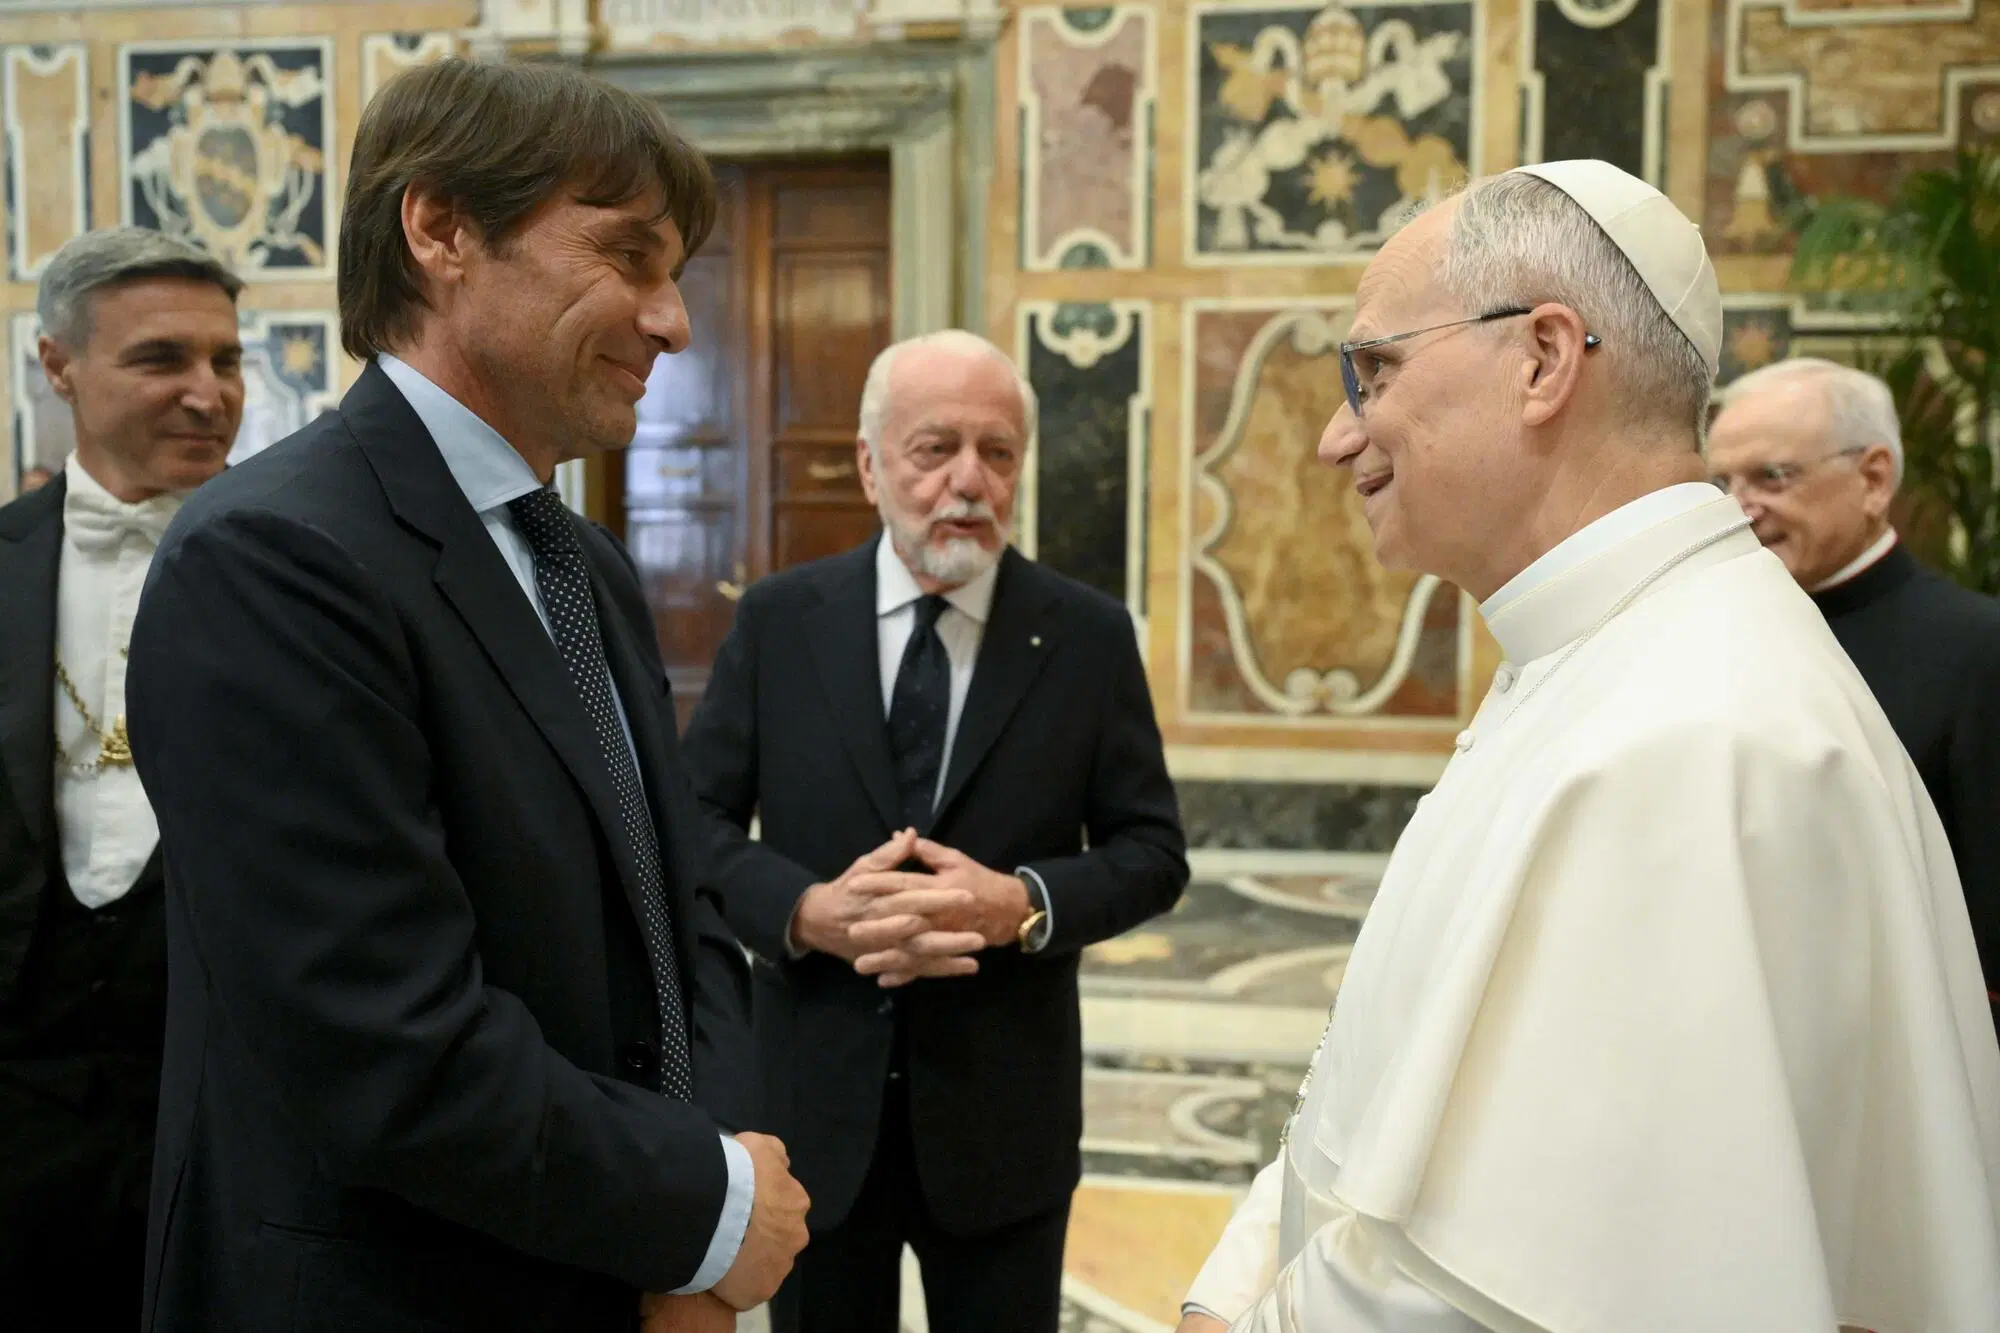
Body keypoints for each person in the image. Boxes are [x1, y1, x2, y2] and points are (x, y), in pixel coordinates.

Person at [1178, 161, 2000, 1331]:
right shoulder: (1600, 656)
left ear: (1543, 359)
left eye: (1372, 370)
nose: (1330, 435)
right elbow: (1374, 1094)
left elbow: (1521, 1287)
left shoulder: (1695, 732)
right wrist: (1233, 1278)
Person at [123, 60, 806, 1333]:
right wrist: (702, 1205)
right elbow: (378, 1040)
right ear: (439, 230)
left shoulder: (578, 559)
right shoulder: (272, 557)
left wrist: (694, 1226)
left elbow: (674, 912)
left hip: (609, 1266)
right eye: (628, 258)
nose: (673, 322)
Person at [680, 328, 1189, 1333]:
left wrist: (1023, 904)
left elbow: (1150, 851)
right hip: (816, 1118)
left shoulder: (1085, 637)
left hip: (1003, 1123)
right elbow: (691, 825)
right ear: (872, 465)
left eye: (996, 453)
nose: (968, 480)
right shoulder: (780, 622)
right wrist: (804, 911)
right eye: (933, 449)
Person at [0, 227, 242, 1331]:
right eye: (161, 360)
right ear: (57, 366)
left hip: (235, 1107)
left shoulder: (307, 565)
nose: (208, 394)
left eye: (225, 361)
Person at [1709, 357, 2000, 1034]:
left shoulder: (1979, 650)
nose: (1738, 510)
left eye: (1771, 477)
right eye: (1721, 483)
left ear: (1873, 479)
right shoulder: (1714, 638)